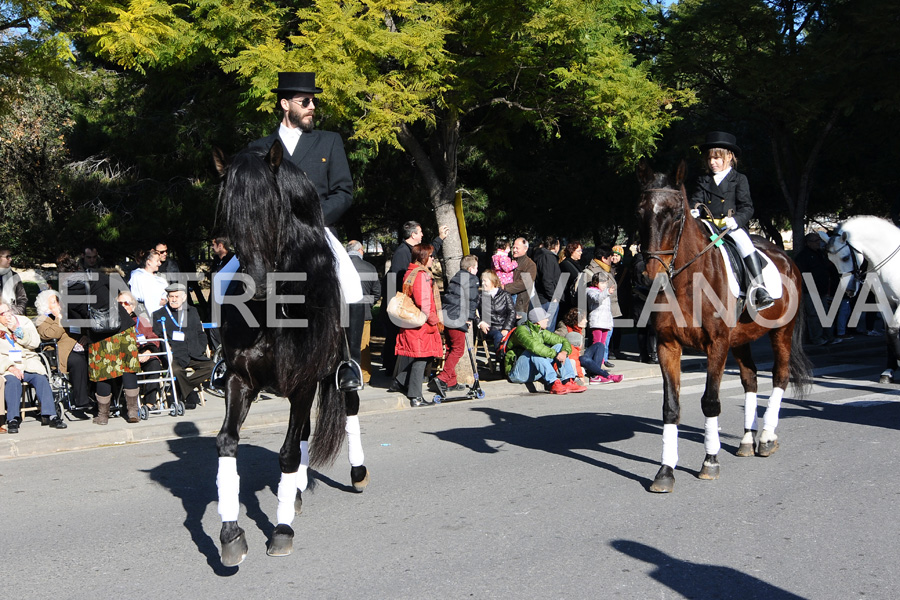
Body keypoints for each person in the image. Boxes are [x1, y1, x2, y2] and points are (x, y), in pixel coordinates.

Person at [690, 131, 774, 310]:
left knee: (745, 244)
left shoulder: (739, 179)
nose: (712, 162)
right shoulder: (703, 180)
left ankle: (761, 289)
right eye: (710, 158)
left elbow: (747, 207)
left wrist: (736, 220)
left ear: (729, 157)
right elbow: (696, 199)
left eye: (717, 158)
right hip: (708, 227)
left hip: (730, 227)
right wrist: (694, 209)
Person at [65, 265, 143, 424]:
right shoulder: (95, 275)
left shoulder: (69, 290)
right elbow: (118, 287)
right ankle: (132, 411)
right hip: (121, 326)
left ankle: (102, 416)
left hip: (98, 333)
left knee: (103, 373)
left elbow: (73, 314)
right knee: (128, 368)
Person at [382, 220, 448, 375]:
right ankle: (393, 371)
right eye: (420, 232)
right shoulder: (402, 252)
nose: (423, 234)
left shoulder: (410, 251)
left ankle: (397, 373)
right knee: (396, 337)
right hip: (402, 304)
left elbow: (426, 255)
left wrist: (440, 239)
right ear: (413, 234)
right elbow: (398, 279)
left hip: (406, 302)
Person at [1, 301, 68, 433]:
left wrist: (18, 331)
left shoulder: (23, 321)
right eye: (3, 314)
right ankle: (12, 419)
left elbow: (35, 342)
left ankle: (51, 415)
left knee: (41, 378)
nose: (8, 316)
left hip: (29, 361)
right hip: (9, 364)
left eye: (8, 311)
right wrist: (10, 367)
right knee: (12, 382)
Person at [393, 244, 443, 407]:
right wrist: (435, 321)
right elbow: (424, 302)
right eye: (431, 256)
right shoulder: (421, 275)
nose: (433, 258)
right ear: (423, 258)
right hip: (422, 324)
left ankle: (400, 382)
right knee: (422, 357)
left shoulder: (411, 271)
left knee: (420, 356)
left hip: (414, 321)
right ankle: (416, 396)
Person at [152, 283, 213, 410]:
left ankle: (183, 389)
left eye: (176, 296)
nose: (173, 299)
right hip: (174, 355)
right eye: (171, 296)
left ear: (184, 297)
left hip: (193, 353)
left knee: (212, 367)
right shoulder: (159, 314)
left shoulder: (192, 311)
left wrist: (201, 347)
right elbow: (159, 338)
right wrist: (170, 351)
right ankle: (190, 394)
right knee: (176, 371)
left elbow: (200, 332)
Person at [34, 289, 92, 418]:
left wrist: (84, 337)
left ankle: (97, 397)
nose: (58, 305)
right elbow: (50, 334)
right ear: (45, 305)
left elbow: (80, 329)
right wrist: (58, 318)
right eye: (54, 302)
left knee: (94, 359)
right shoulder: (43, 319)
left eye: (58, 302)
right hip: (59, 353)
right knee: (78, 362)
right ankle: (81, 401)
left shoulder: (68, 315)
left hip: (77, 347)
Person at [503, 307, 586, 395]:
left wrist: (563, 352)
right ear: (538, 321)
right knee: (534, 352)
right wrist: (556, 354)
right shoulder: (521, 330)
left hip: (533, 371)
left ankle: (567, 381)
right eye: (545, 318)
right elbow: (535, 347)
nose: (547, 320)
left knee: (559, 346)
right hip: (517, 373)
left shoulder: (541, 331)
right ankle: (553, 382)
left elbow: (564, 341)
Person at [430, 254, 479, 396]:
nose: (477, 270)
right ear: (470, 268)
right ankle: (442, 378)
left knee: (451, 348)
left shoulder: (456, 277)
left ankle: (451, 382)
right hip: (458, 316)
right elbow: (472, 300)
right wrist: (469, 318)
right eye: (476, 267)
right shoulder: (472, 279)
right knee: (458, 349)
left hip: (447, 315)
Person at [118, 289, 164, 410]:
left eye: (126, 303)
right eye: (120, 303)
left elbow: (153, 338)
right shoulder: (114, 321)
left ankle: (149, 403)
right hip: (124, 357)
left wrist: (149, 351)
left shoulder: (141, 321)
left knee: (154, 364)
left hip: (143, 353)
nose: (123, 306)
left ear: (132, 306)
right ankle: (133, 404)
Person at [794, 232, 840, 346]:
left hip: (822, 288)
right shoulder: (803, 256)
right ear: (808, 243)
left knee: (825, 314)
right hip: (810, 289)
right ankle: (817, 338)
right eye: (815, 241)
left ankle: (828, 336)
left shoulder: (820, 254)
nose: (818, 243)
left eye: (819, 241)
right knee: (814, 315)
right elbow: (801, 273)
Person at [579, 245, 621, 367]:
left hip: (607, 311)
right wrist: (607, 292)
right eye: (609, 257)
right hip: (598, 313)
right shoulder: (593, 271)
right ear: (603, 258)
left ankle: (602, 359)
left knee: (604, 339)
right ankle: (596, 362)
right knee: (598, 341)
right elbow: (593, 294)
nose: (611, 260)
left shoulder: (605, 268)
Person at [346, 240, 381, 383]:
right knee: (363, 346)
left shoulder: (338, 266)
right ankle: (364, 376)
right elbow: (377, 292)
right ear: (360, 250)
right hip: (363, 312)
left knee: (342, 345)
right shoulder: (369, 267)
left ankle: (343, 373)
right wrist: (367, 304)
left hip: (341, 313)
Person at [477, 270, 516, 358]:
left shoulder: (505, 295)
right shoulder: (481, 296)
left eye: (485, 281)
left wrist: (506, 328)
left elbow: (512, 312)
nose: (483, 283)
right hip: (490, 328)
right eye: (482, 281)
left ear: (493, 281)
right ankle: (500, 358)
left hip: (504, 326)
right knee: (498, 335)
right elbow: (472, 312)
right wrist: (480, 323)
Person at [631, 248, 658, 364]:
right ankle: (653, 354)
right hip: (645, 298)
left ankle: (644, 354)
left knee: (642, 329)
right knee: (652, 328)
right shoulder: (643, 264)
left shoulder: (635, 262)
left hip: (639, 299)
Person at [504, 237, 538, 319]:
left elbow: (525, 283)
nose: (514, 250)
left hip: (520, 306)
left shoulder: (530, 265)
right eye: (513, 247)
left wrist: (505, 287)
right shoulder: (507, 261)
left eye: (517, 248)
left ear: (525, 249)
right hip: (504, 304)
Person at [533, 236, 563, 331]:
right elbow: (547, 280)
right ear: (556, 245)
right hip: (547, 300)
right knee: (547, 332)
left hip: (545, 299)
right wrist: (553, 297)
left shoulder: (543, 256)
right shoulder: (548, 257)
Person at [129, 248, 169, 315]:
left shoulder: (160, 278)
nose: (159, 264)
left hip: (163, 312)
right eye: (157, 261)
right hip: (145, 314)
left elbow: (166, 294)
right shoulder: (138, 276)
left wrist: (165, 300)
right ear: (149, 262)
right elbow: (139, 296)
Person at [559, 240, 584, 314]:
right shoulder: (565, 264)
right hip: (568, 300)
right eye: (579, 251)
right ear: (572, 251)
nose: (581, 253)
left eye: (581, 250)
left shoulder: (577, 264)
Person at [0, 248, 27, 315]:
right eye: (7, 257)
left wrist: (15, 312)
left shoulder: (14, 276)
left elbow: (22, 298)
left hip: (12, 317)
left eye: (10, 256)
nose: (10, 259)